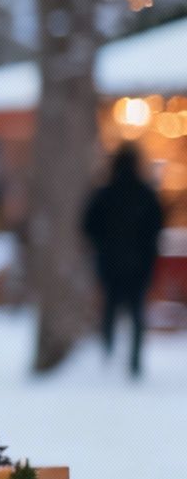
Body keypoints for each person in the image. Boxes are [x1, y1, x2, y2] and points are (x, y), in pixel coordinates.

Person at [82, 143, 166, 377]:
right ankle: (133, 362)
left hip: (110, 265)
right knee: (137, 312)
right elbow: (156, 227)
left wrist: (103, 245)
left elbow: (88, 226)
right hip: (139, 266)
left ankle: (107, 357)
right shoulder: (145, 194)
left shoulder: (105, 194)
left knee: (110, 309)